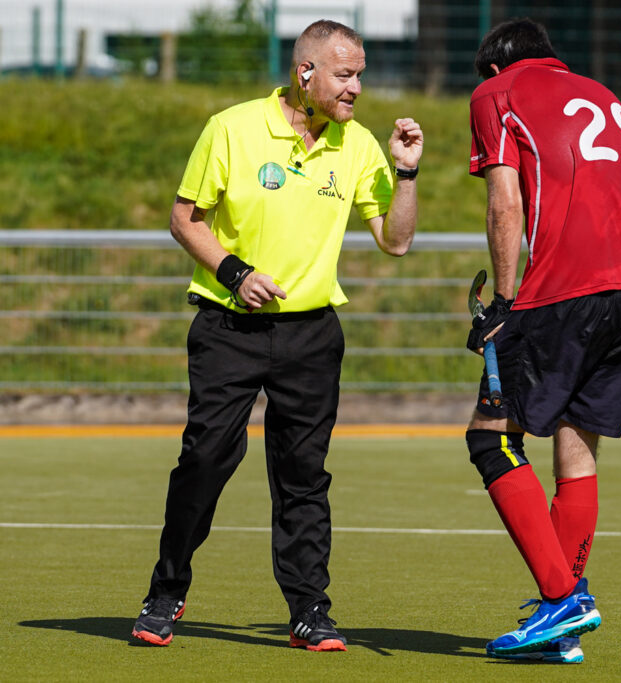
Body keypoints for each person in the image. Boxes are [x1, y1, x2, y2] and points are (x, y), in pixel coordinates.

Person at [130, 20, 423, 650]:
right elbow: (184, 219)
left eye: (361, 74)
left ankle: (309, 609)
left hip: (312, 335)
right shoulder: (231, 127)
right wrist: (236, 274)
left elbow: (396, 242)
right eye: (344, 75)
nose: (357, 87)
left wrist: (406, 174)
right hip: (227, 328)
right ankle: (166, 589)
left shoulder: (358, 143)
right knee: (206, 459)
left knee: (303, 475)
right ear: (305, 72)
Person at [464, 18, 621, 663]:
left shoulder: (497, 92)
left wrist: (502, 302)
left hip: (565, 293)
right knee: (577, 450)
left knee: (491, 438)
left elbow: (505, 202)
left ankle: (563, 596)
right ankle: (561, 629)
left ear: (495, 67)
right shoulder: (601, 92)